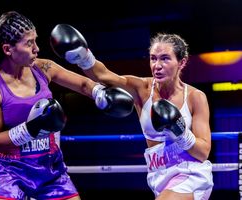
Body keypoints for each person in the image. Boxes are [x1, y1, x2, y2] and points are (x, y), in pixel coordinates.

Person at [0, 11, 134, 200]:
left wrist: (100, 94)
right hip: (10, 170)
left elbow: (83, 84)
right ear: (8, 49)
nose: (36, 49)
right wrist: (31, 128)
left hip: (49, 167)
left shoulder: (42, 68)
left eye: (35, 41)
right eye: (29, 43)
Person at [51, 25, 214, 200]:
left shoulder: (195, 97)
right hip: (158, 176)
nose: (157, 66)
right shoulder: (142, 89)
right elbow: (103, 75)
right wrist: (83, 56)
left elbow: (203, 152)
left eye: (165, 59)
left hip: (190, 173)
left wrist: (180, 131)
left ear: (181, 62)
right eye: (153, 58)